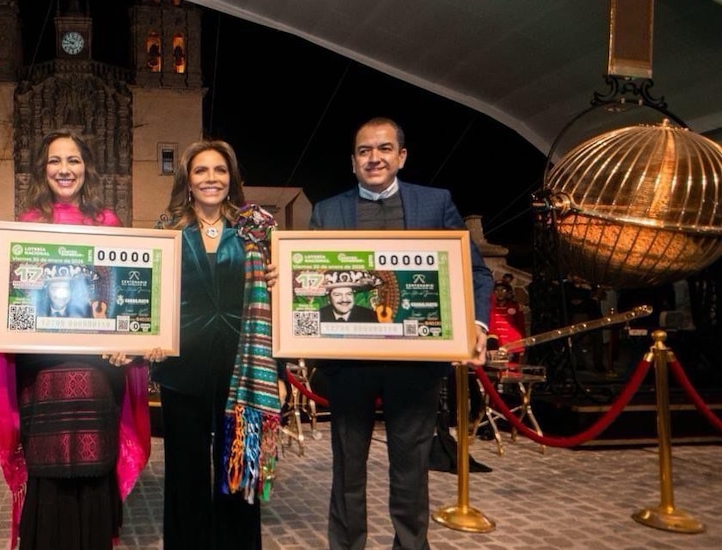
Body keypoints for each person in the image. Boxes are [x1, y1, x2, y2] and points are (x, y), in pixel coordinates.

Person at [309, 117, 493, 550]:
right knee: (347, 466)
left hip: (415, 362)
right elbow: (310, 277)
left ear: (401, 156)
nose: (374, 157)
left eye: (384, 148)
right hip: (347, 361)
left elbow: (477, 273)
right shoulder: (327, 210)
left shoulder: (435, 203)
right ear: (352, 162)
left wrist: (477, 325)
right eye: (364, 151)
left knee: (411, 467)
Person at [0, 130, 150, 550]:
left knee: (93, 471)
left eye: (73, 160)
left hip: (95, 374)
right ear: (44, 169)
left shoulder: (107, 223)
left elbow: (120, 294)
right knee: (47, 473)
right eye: (56, 161)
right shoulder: (26, 225)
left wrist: (131, 337)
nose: (64, 169)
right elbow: (15, 295)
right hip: (44, 373)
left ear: (86, 168)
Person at [145, 140, 280, 550]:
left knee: (238, 474)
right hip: (181, 370)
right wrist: (148, 337)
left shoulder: (256, 229)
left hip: (243, 370)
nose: (211, 179)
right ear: (187, 180)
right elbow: (150, 294)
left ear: (231, 178)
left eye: (219, 171)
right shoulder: (167, 229)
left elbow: (276, 305)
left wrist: (278, 280)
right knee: (184, 474)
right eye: (201, 171)